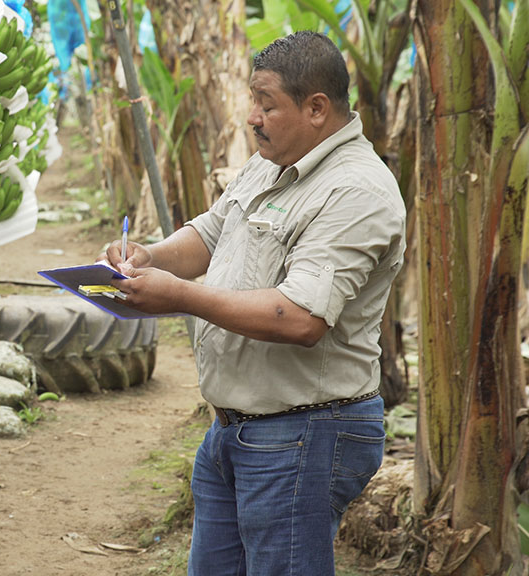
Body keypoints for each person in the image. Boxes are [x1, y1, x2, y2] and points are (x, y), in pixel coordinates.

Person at [99, 31, 406, 575]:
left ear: (316, 108)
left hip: (304, 435)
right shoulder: (273, 161)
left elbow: (302, 318)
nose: (253, 118)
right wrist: (151, 257)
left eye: (267, 105)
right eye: (253, 103)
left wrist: (180, 297)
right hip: (235, 430)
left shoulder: (356, 191)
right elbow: (212, 233)